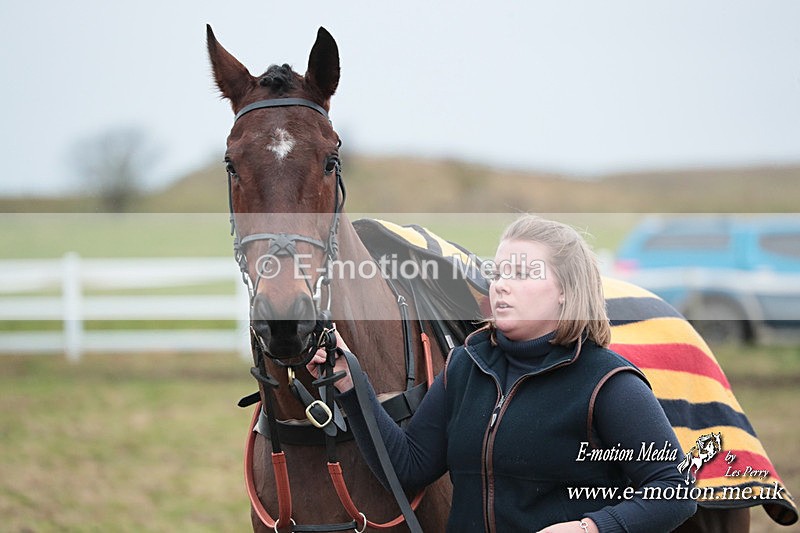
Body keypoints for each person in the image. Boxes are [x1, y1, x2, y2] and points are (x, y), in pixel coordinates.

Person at [308, 214, 697, 532]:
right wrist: (349, 381)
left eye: (522, 274)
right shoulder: (465, 366)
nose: (501, 286)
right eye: (498, 273)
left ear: (566, 289)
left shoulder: (607, 383)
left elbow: (675, 490)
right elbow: (408, 468)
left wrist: (591, 528)